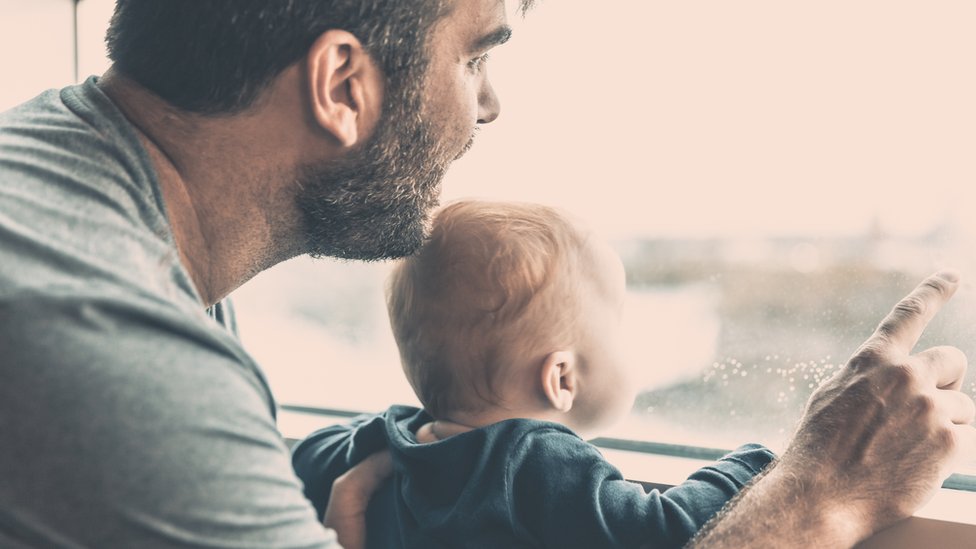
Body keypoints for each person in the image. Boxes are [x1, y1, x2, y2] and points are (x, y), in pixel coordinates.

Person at [0, 0, 971, 548]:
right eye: (475, 57)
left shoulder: (73, 182)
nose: (490, 106)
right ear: (343, 85)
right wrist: (817, 497)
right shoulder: (117, 351)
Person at [292, 199, 778, 548]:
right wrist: (752, 464)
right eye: (619, 325)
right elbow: (666, 529)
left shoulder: (389, 441)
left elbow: (309, 456)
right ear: (562, 378)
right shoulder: (530, 460)